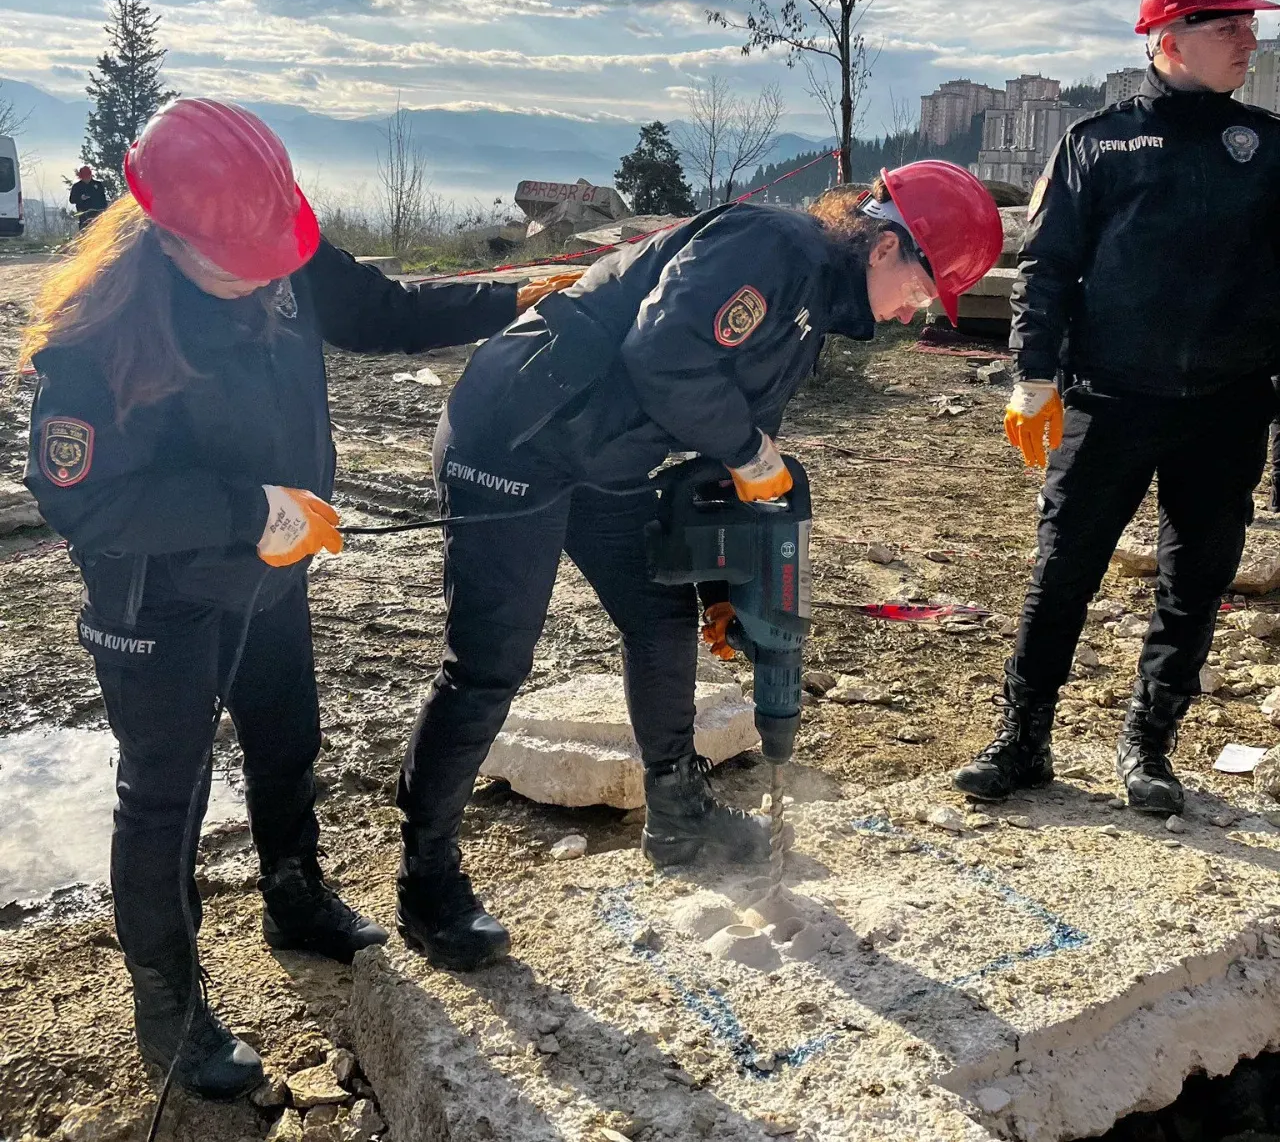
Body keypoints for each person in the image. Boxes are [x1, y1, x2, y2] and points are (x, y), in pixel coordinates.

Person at [21, 99, 571, 1101]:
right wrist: (245, 507)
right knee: (166, 793)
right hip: (158, 601)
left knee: (288, 739)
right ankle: (170, 1002)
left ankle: (293, 892)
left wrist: (513, 294)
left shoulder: (274, 248)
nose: (269, 274)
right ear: (167, 230)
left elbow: (386, 314)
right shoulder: (95, 340)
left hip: (270, 574)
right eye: (244, 258)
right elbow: (83, 499)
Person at [395, 162, 1003, 972]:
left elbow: (737, 455)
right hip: (517, 432)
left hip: (604, 458)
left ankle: (678, 813)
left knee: (661, 613)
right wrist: (750, 454)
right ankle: (426, 874)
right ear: (886, 246)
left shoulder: (810, 312)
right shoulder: (768, 247)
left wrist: (726, 579)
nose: (915, 312)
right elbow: (664, 358)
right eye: (924, 290)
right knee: (491, 663)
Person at [956, 0, 1280, 816]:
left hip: (1229, 403)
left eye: (1252, 22)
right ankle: (1023, 740)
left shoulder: (1269, 147)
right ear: (1168, 38)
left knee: (1195, 579)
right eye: (1229, 23)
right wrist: (1032, 376)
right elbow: (1048, 266)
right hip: (1110, 398)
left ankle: (1150, 745)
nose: (1249, 36)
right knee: (1064, 570)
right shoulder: (1098, 143)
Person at [69, 164, 109, 230]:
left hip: (98, 214)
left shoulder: (98, 185)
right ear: (81, 177)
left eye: (88, 176)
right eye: (85, 177)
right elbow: (72, 200)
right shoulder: (76, 187)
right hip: (84, 216)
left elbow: (103, 198)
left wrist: (105, 210)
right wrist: (80, 198)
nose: (87, 178)